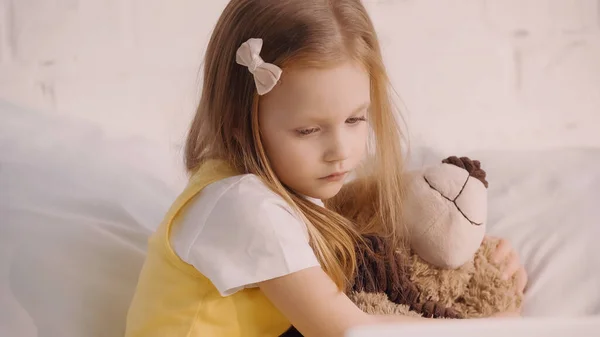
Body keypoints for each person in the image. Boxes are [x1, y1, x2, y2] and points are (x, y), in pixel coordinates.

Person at [124, 1, 528, 336]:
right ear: (239, 123)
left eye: (355, 119)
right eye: (308, 129)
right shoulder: (245, 205)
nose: (340, 151)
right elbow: (350, 330)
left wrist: (471, 253)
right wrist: (492, 327)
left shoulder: (283, 187)